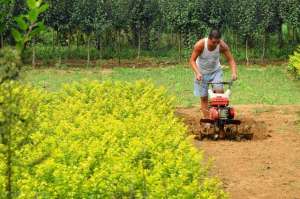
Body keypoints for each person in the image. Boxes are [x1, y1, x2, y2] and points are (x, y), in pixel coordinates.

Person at [189, 29, 237, 119]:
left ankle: (221, 118)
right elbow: (192, 60)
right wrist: (197, 73)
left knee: (220, 95)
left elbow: (231, 60)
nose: (216, 44)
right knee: (204, 98)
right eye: (214, 42)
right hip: (201, 73)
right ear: (209, 39)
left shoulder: (222, 46)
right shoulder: (200, 45)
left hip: (215, 72)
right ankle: (207, 120)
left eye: (218, 42)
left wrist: (234, 72)